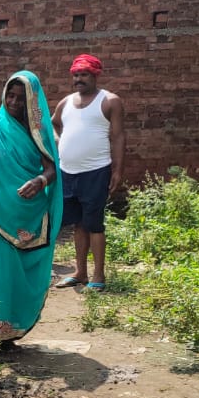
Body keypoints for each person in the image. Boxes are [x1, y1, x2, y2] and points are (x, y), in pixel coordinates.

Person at [0, 71, 62, 346]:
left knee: (14, 274)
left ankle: (7, 332)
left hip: (25, 212)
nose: (15, 102)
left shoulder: (38, 133)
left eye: (22, 97)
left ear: (33, 101)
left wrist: (40, 180)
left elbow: (52, 168)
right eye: (11, 95)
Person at [51, 54, 125, 292]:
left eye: (84, 75)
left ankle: (98, 275)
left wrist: (117, 169)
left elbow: (118, 136)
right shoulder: (66, 102)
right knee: (78, 224)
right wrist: (57, 139)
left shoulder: (110, 101)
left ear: (95, 76)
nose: (79, 79)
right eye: (76, 75)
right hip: (67, 172)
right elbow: (53, 124)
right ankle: (80, 272)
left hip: (96, 170)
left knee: (94, 224)